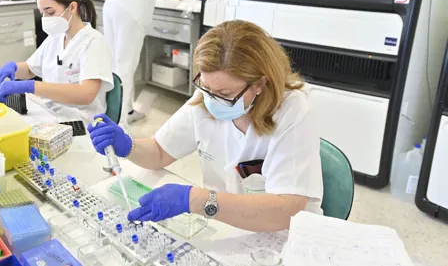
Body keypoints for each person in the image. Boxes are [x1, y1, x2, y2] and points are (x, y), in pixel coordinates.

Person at [88, 21, 323, 232]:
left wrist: (194, 200)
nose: (213, 101)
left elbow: (286, 210)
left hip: (282, 236)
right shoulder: (206, 99)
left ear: (260, 83)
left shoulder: (293, 109)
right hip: (225, 224)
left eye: (225, 94)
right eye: (207, 88)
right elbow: (160, 151)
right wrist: (128, 145)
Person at [103, 0, 202, 125]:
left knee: (115, 63)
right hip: (130, 13)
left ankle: (125, 110)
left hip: (112, 7)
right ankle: (119, 122)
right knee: (125, 66)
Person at [0, 0, 114, 121]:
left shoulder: (93, 43)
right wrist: (12, 68)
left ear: (72, 8)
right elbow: (31, 69)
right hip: (51, 114)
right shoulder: (56, 38)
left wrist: (31, 86)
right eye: (42, 13)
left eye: (50, 12)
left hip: (81, 122)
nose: (46, 18)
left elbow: (85, 94)